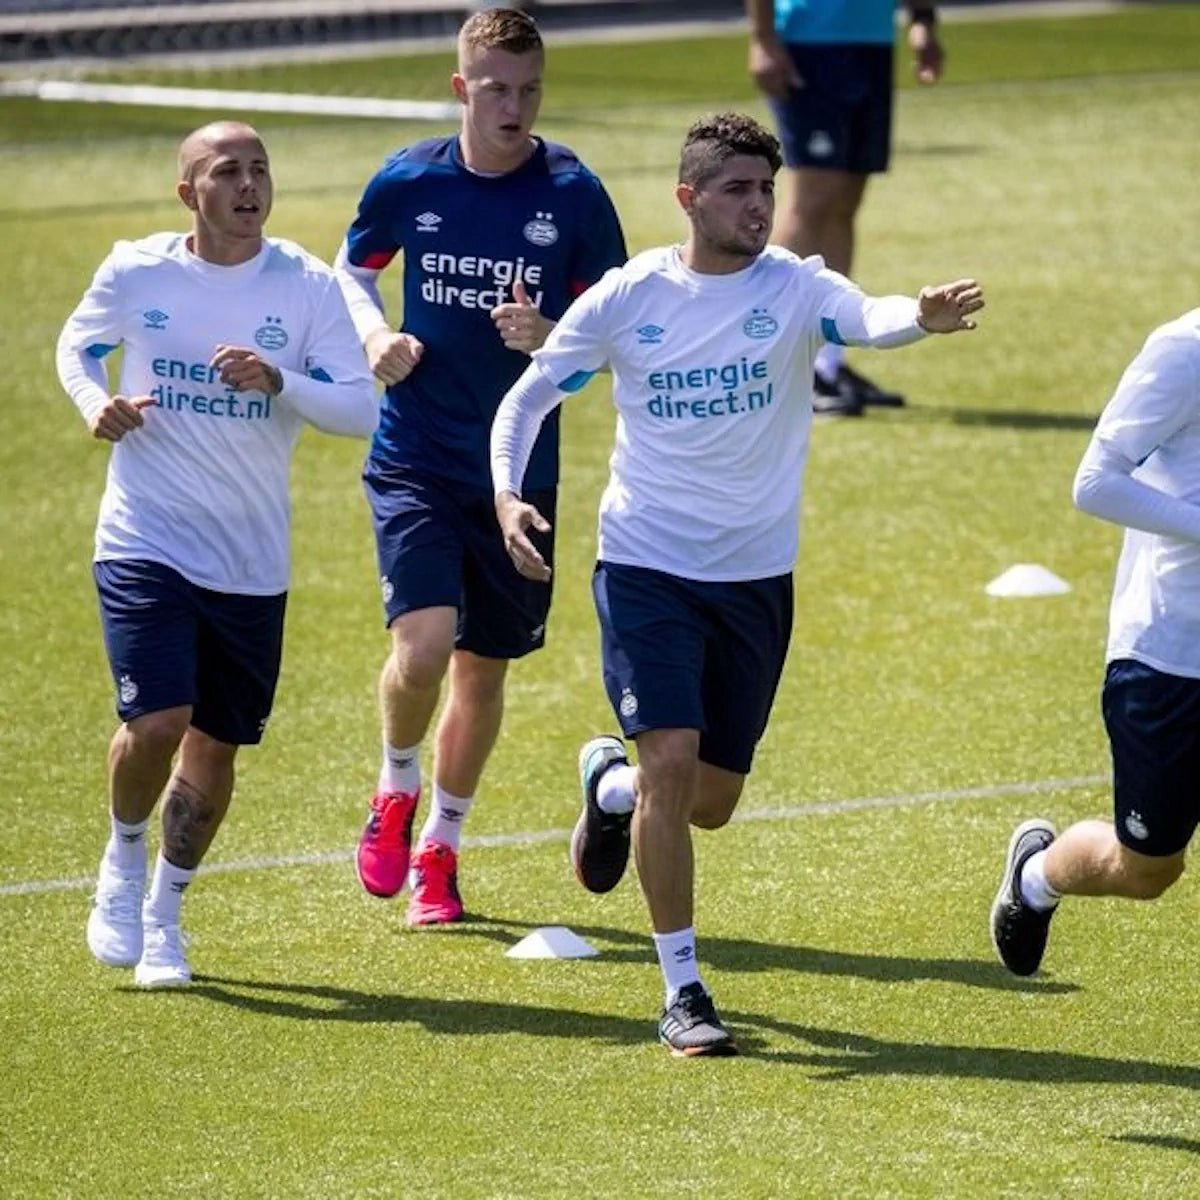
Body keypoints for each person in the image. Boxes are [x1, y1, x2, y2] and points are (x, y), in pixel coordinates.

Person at [491, 112, 983, 1054]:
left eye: (767, 189)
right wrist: (508, 497)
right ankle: (683, 990)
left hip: (755, 577)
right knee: (674, 765)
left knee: (707, 802)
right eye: (738, 191)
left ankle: (610, 792)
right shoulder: (630, 296)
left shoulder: (796, 286)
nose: (759, 207)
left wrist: (917, 318)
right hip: (645, 566)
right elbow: (527, 400)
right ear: (689, 198)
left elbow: (867, 318)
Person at [58, 121, 379, 988]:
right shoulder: (139, 268)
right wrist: (97, 400)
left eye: (260, 169)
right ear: (187, 193)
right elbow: (77, 345)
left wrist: (282, 382)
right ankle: (123, 863)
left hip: (250, 561)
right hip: (144, 536)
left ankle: (166, 918)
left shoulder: (307, 286)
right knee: (156, 722)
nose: (249, 184)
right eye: (227, 171)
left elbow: (361, 410)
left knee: (214, 750)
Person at [333, 7, 626, 927]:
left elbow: (622, 326)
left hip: (519, 472)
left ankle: (442, 851)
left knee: (483, 670)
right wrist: (375, 332)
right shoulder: (410, 180)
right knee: (421, 649)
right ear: (461, 88)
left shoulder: (574, 193)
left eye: (529, 89)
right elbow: (351, 268)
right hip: (416, 454)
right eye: (496, 88)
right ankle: (395, 789)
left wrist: (553, 339)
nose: (514, 106)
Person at [991, 309, 1200, 977]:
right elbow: (1095, 483)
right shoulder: (1184, 351)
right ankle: (1037, 878)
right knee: (1146, 870)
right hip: (1170, 655)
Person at [745, 0, 944, 416]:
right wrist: (763, 37)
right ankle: (774, 362)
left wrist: (922, 17)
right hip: (809, 41)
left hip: (871, 40)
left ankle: (827, 365)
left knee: (844, 201)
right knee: (813, 199)